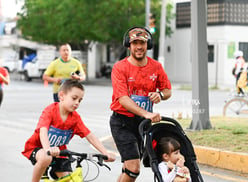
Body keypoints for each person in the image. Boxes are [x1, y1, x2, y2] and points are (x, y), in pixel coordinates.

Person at [110, 26, 172, 182]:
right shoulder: (120, 68)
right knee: (133, 169)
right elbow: (123, 99)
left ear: (148, 45)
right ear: (129, 45)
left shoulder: (156, 67)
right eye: (135, 43)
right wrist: (147, 113)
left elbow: (167, 90)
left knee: (127, 168)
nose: (139, 46)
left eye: (142, 43)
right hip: (122, 122)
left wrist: (160, 94)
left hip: (142, 124)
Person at [22, 79, 115, 182]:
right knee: (45, 158)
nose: (77, 103)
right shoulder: (51, 111)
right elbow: (43, 130)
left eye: (80, 100)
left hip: (60, 152)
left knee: (69, 179)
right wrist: (47, 148)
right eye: (74, 98)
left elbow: (89, 135)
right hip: (38, 148)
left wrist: (105, 152)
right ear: (61, 96)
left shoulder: (75, 118)